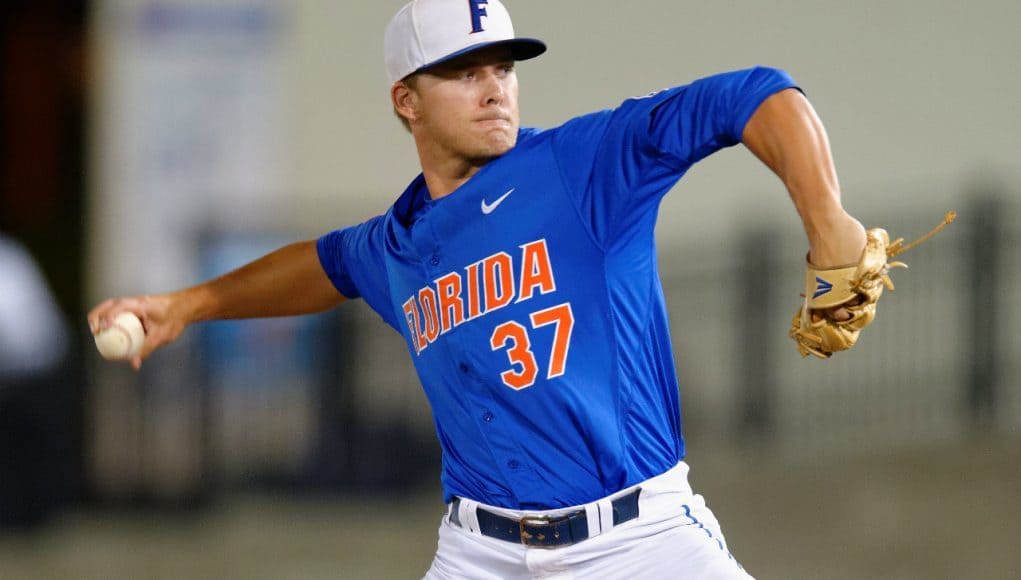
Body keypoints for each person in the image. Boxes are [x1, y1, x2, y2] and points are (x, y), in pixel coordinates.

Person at [89, 0, 868, 577]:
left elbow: (752, 95)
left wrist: (826, 220)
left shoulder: (582, 166)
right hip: (479, 552)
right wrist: (181, 307)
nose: (495, 88)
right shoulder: (397, 243)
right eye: (464, 72)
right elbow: (321, 267)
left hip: (638, 543)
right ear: (407, 100)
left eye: (502, 67)